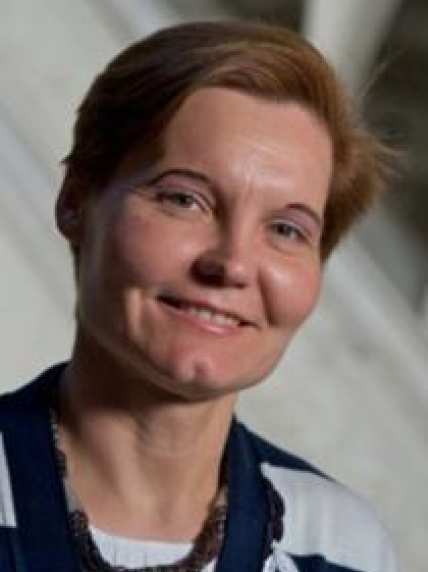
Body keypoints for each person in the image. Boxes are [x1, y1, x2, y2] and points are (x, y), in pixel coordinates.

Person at [0, 20, 398, 572]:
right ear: (75, 202)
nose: (232, 264)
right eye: (184, 199)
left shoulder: (342, 547)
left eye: (286, 230)